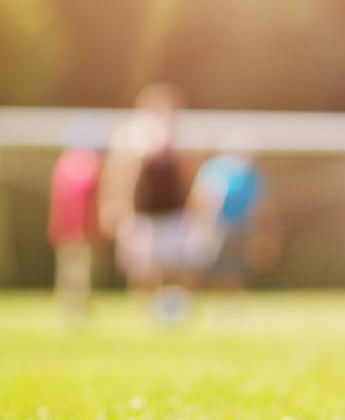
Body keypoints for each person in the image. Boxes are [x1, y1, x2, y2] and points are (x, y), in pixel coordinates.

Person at [99, 84, 193, 309]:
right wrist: (114, 205)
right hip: (141, 214)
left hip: (172, 214)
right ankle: (142, 310)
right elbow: (117, 173)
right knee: (141, 267)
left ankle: (168, 310)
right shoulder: (130, 135)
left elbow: (188, 175)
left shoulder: (180, 136)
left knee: (174, 265)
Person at [184, 152, 264, 294]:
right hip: (214, 228)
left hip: (238, 228)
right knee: (207, 269)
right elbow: (198, 198)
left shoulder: (250, 176)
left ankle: (231, 306)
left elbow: (257, 206)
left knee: (233, 270)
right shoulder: (212, 171)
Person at [47, 145, 102, 316]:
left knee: (80, 271)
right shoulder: (72, 171)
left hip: (80, 233)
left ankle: (80, 306)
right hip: (70, 233)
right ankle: (70, 306)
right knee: (71, 271)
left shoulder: (69, 170)